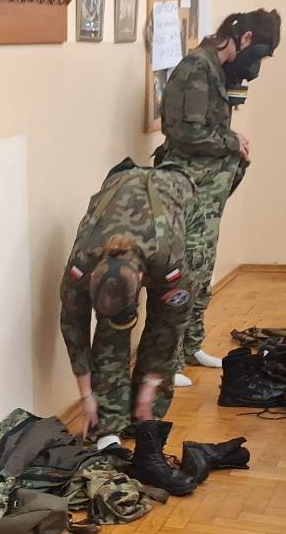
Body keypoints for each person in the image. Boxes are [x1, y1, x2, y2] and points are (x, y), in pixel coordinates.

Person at [58, 159, 203, 495]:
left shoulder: (168, 262)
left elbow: (169, 328)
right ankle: (108, 427)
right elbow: (73, 328)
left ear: (140, 279)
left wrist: (150, 387)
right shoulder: (82, 263)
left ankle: (145, 424)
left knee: (161, 334)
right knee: (110, 335)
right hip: (120, 183)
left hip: (177, 189)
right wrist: (86, 397)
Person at [155, 9, 281, 387]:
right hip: (187, 187)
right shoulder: (196, 68)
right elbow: (184, 133)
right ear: (245, 39)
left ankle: (191, 346)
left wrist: (232, 142)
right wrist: (231, 140)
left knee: (202, 270)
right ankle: (166, 361)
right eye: (257, 54)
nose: (255, 65)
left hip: (208, 191)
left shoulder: (217, 70)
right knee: (184, 272)